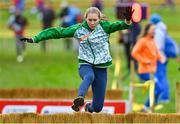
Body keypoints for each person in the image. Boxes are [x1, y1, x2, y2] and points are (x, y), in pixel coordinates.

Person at [20, 7, 133, 113]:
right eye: (90, 20)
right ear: (85, 19)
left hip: (101, 67)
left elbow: (121, 25)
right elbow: (57, 32)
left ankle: (87, 107)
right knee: (89, 76)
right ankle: (80, 98)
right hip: (85, 63)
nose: (92, 23)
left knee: (98, 108)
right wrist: (35, 39)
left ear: (99, 19)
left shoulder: (105, 27)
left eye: (95, 20)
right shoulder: (78, 29)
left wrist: (127, 20)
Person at [131, 24, 166, 112]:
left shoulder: (152, 41)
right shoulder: (143, 41)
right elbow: (134, 53)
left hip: (152, 71)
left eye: (155, 30)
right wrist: (144, 60)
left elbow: (156, 52)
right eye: (152, 29)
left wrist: (161, 58)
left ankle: (151, 106)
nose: (154, 31)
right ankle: (146, 107)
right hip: (144, 71)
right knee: (159, 88)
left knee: (158, 89)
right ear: (147, 30)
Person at [150, 14, 170, 103]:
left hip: (159, 57)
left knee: (160, 77)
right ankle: (164, 96)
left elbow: (157, 46)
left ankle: (164, 97)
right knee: (162, 77)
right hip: (162, 56)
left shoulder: (158, 32)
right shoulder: (162, 29)